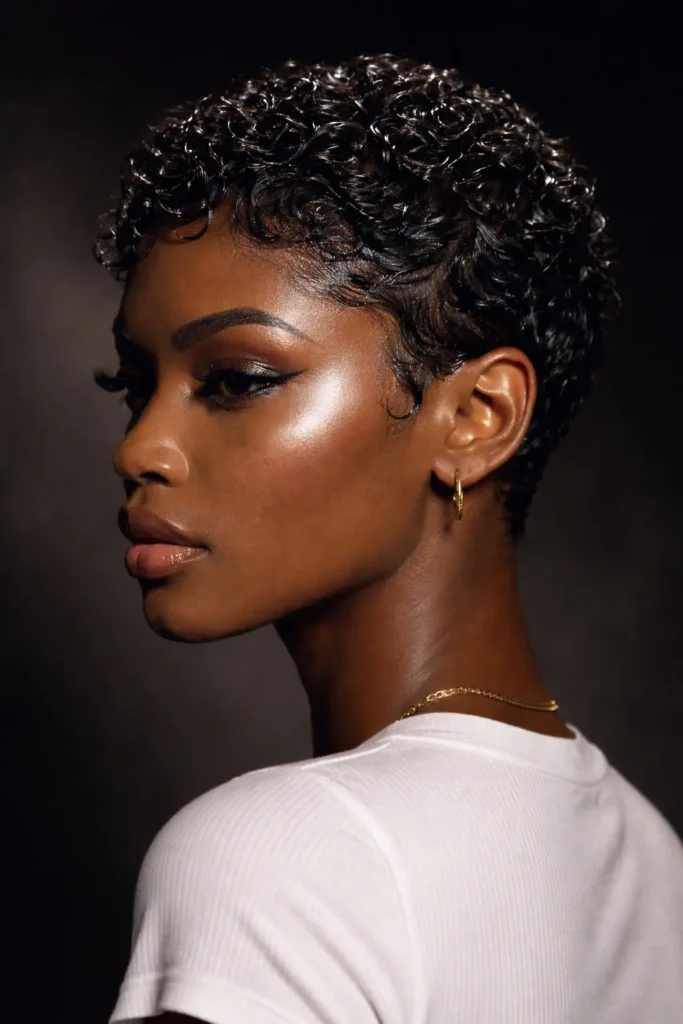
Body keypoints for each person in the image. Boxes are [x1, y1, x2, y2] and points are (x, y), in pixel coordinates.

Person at [92, 53, 683, 1024]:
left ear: (478, 416)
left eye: (237, 379)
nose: (138, 449)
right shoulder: (656, 866)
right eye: (135, 385)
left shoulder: (277, 855)